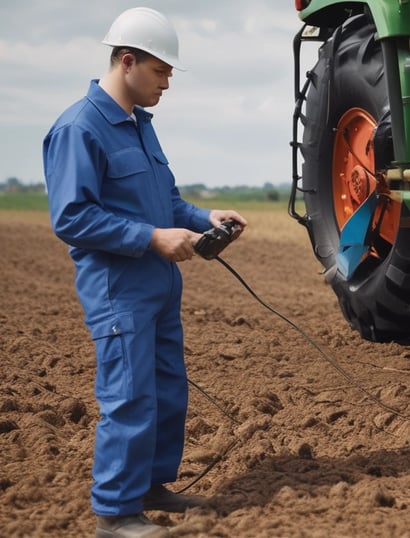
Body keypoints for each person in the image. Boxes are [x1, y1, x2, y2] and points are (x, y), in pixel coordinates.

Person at [42, 7, 248, 537]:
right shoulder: (78, 129)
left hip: (158, 287)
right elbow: (72, 217)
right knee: (129, 396)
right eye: (161, 72)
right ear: (127, 61)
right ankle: (115, 513)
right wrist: (151, 238)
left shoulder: (140, 127)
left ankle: (152, 487)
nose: (166, 84)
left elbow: (166, 201)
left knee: (165, 390)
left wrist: (206, 218)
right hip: (118, 290)